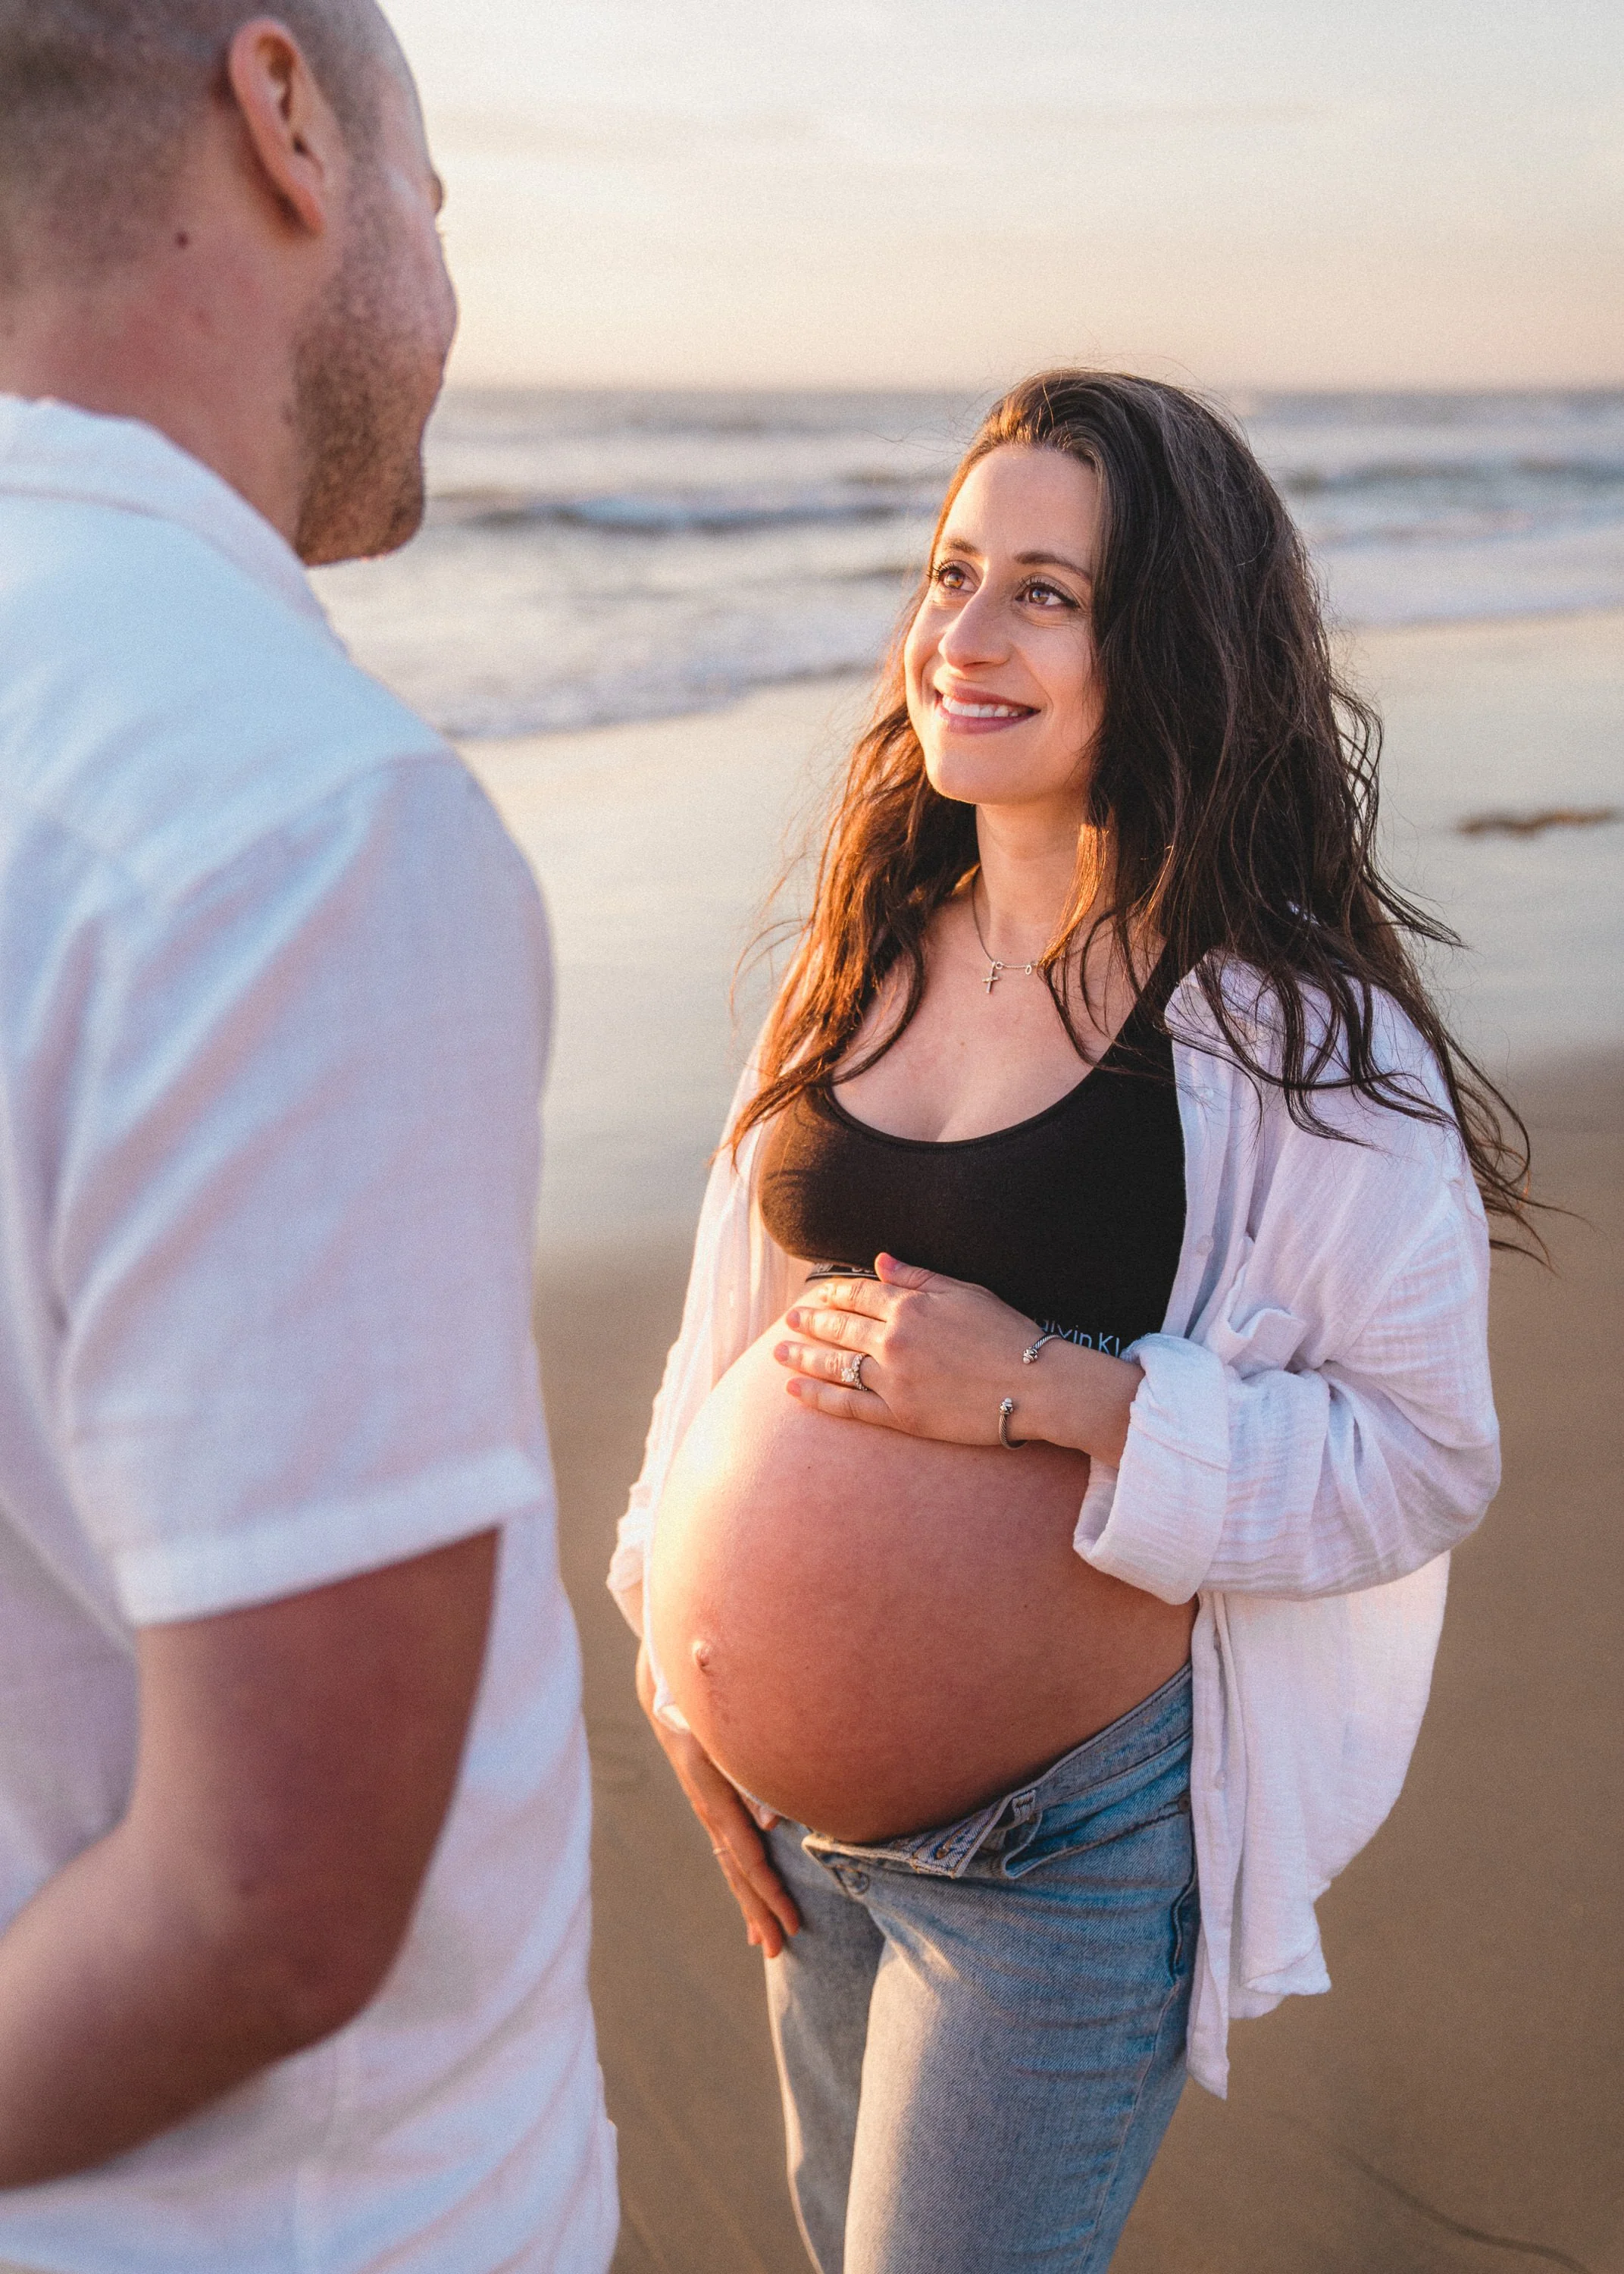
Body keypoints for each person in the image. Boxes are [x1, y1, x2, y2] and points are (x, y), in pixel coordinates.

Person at [610, 371, 1519, 2272]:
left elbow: (1424, 1458)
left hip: (1064, 1855)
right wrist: (671, 1654)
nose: (967, 632)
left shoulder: (1291, 1038)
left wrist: (1049, 1392)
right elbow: (725, 1345)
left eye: (1048, 590)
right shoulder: (853, 959)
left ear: (1166, 643)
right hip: (802, 1847)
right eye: (954, 572)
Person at [0, 5, 616, 2270]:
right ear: (284, 120)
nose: (447, 311)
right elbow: (265, 1915)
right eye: (434, 206)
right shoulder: (290, 825)